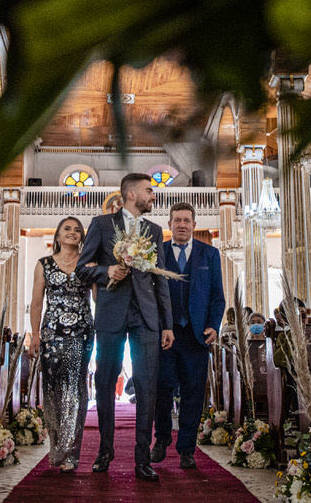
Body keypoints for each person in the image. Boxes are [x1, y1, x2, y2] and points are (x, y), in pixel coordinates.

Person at [77, 172, 174, 482]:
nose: (153, 195)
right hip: (111, 312)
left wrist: (166, 324)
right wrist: (108, 271)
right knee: (105, 381)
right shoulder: (102, 225)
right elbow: (83, 268)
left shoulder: (155, 230)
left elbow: (160, 279)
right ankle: (105, 451)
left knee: (148, 385)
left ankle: (142, 458)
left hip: (146, 316)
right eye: (149, 190)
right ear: (131, 194)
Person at [153, 202, 225, 468]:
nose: (182, 224)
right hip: (165, 335)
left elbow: (218, 296)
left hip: (196, 337)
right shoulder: (157, 253)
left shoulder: (210, 254)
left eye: (186, 220)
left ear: (194, 224)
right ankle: (161, 439)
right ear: (169, 224)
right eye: (177, 220)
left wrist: (214, 325)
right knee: (162, 389)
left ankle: (186, 449)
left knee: (193, 394)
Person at [28, 216, 93, 472]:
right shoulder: (43, 264)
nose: (72, 233)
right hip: (51, 334)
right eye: (67, 229)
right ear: (57, 236)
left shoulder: (89, 264)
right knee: (53, 391)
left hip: (82, 331)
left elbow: (99, 296)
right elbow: (36, 301)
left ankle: (71, 453)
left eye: (77, 230)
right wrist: (34, 333)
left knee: (76, 391)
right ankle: (56, 448)